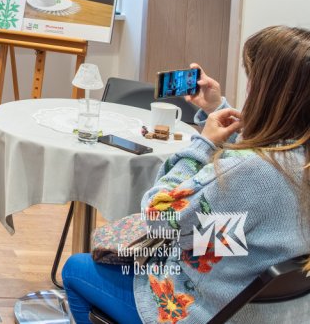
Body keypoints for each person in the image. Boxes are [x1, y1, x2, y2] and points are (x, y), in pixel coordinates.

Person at [62, 25, 310, 324]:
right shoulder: (295, 162)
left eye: (253, 81)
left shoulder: (252, 172)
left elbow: (156, 216)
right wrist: (219, 108)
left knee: (76, 268)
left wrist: (203, 145)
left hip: (206, 310)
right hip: (273, 310)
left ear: (270, 94)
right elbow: (247, 194)